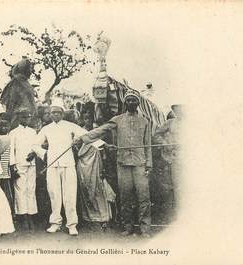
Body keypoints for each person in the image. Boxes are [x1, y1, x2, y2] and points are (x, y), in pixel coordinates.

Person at [77, 89, 152, 237]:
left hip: (140, 164)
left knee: (144, 197)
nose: (131, 102)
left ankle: (145, 229)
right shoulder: (117, 119)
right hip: (122, 162)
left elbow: (148, 144)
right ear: (125, 103)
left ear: (138, 103)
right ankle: (128, 227)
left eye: (134, 100)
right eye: (128, 100)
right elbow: (101, 130)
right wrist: (84, 137)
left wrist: (149, 164)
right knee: (125, 197)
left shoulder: (145, 121)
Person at [32, 101, 87, 236]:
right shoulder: (46, 129)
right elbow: (35, 145)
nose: (55, 114)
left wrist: (78, 139)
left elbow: (85, 134)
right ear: (50, 115)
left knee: (70, 195)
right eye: (53, 112)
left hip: (68, 164)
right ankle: (55, 223)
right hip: (52, 165)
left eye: (58, 112)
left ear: (62, 114)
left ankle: (72, 225)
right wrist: (44, 154)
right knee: (54, 194)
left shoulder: (70, 126)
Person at [9, 108, 38, 232]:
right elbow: (11, 151)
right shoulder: (14, 132)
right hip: (19, 164)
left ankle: (31, 214)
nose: (27, 119)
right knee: (20, 189)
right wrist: (12, 166)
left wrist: (34, 153)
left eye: (29, 117)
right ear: (19, 118)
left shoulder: (33, 132)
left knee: (31, 189)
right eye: (24, 117)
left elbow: (36, 146)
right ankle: (23, 216)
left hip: (31, 164)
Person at [0, 112, 14, 217]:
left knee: (7, 190)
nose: (4, 128)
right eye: (2, 125)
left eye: (6, 125)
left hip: (6, 168)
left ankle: (9, 213)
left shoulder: (10, 137)